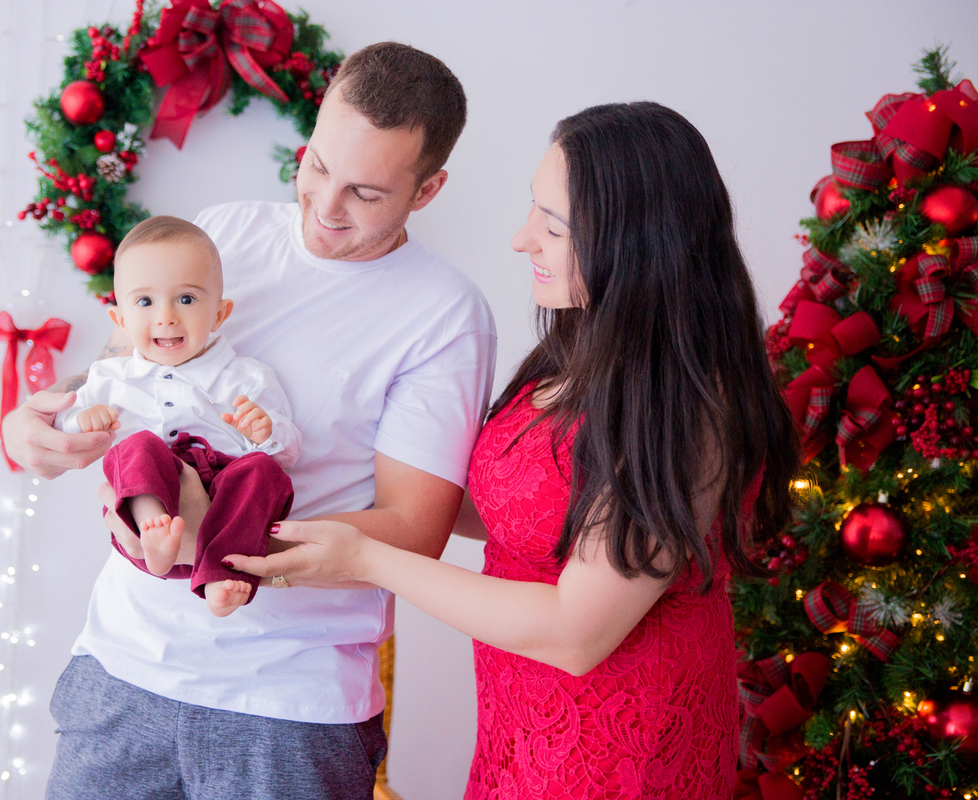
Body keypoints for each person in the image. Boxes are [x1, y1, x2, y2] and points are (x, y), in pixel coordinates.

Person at [223, 102, 800, 798]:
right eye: (535, 208)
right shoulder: (580, 350)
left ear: (638, 241)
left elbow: (575, 632)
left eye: (553, 226)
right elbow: (515, 507)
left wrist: (369, 556)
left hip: (625, 748)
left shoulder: (689, 405)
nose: (522, 239)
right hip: (522, 721)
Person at [0, 43, 496, 799]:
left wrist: (220, 541)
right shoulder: (223, 231)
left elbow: (415, 527)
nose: (326, 207)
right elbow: (118, 364)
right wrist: (34, 427)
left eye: (365, 192)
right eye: (319, 166)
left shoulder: (445, 316)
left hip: (289, 705)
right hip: (123, 664)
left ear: (427, 190)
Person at [55, 215, 300, 617]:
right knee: (137, 446)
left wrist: (266, 432)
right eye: (145, 302)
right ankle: (155, 529)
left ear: (220, 315)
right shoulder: (111, 376)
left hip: (223, 505)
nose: (166, 316)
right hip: (141, 514)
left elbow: (288, 452)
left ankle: (222, 572)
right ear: (120, 320)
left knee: (263, 472)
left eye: (186, 299)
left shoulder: (246, 376)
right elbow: (65, 424)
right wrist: (82, 419)